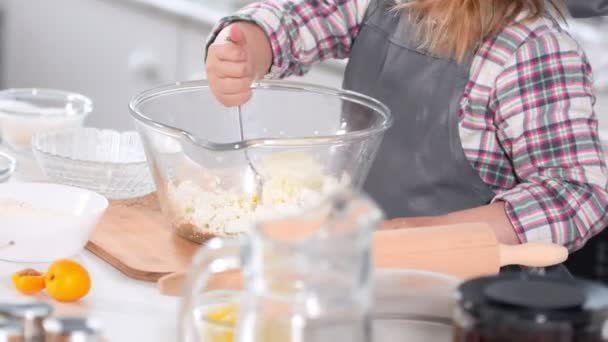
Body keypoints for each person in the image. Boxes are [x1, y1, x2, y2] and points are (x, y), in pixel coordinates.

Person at [205, 0, 608, 252]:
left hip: (467, 295)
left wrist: (418, 234)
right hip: (364, 263)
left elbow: (577, 193)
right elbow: (297, 16)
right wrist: (243, 47)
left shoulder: (532, 49)